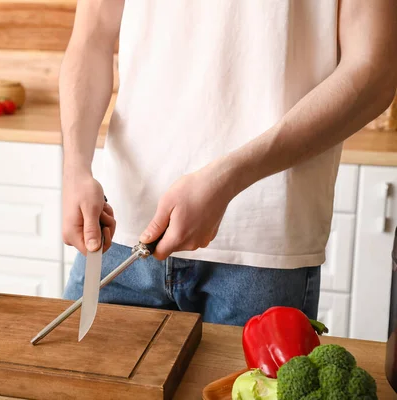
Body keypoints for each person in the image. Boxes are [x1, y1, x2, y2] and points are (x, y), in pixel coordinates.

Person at [60, 0, 397, 325]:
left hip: (262, 251)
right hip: (120, 231)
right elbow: (92, 38)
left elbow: (374, 71)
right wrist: (75, 168)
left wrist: (230, 178)